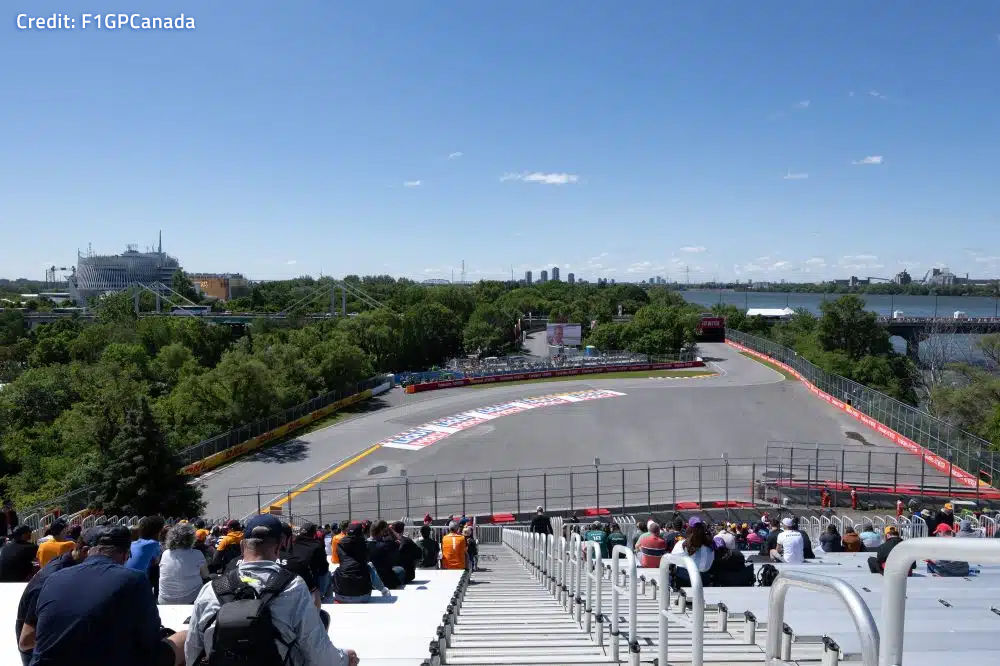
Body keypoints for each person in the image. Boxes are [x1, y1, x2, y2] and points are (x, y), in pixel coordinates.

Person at [185, 514, 358, 666]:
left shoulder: (211, 589)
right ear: (278, 547)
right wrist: (344, 658)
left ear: (242, 546)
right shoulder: (293, 587)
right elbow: (317, 653)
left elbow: (192, 650)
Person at [23, 525, 186, 666]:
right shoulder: (134, 579)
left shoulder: (53, 578)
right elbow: (149, 641)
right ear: (124, 555)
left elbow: (26, 641)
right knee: (185, 637)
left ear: (88, 551)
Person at [15, 530, 88, 665]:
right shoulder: (53, 578)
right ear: (85, 551)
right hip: (37, 649)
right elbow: (26, 641)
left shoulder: (67, 560)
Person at [158, 522, 211, 605]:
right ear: (191, 538)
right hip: (190, 599)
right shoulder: (197, 554)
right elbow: (205, 575)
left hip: (164, 600)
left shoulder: (165, 553)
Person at [285, 522, 331, 599]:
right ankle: (322, 596)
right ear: (313, 533)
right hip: (310, 580)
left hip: (294, 577)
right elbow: (324, 567)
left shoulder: (292, 544)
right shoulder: (317, 545)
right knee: (327, 574)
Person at [367, 520, 406, 588]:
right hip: (385, 581)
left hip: (369, 581)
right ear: (381, 531)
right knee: (400, 570)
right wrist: (390, 530)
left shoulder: (363, 544)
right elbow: (399, 540)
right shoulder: (386, 545)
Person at [125, 515, 164, 581]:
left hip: (125, 577)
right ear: (159, 531)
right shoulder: (154, 544)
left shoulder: (133, 543)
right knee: (158, 568)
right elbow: (157, 562)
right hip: (137, 582)